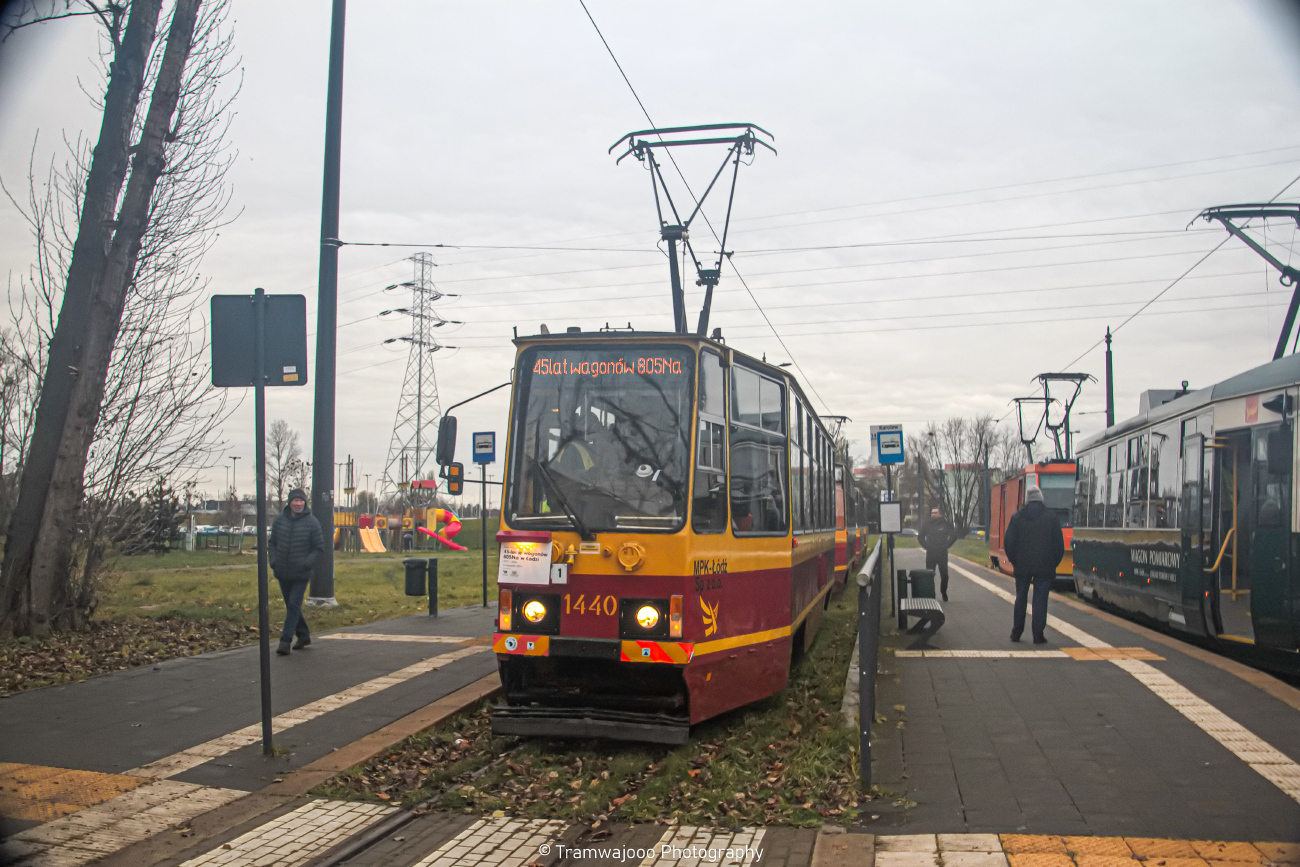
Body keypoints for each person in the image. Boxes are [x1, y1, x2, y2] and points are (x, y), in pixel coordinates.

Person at [1003, 485, 1065, 644]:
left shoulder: (1017, 517)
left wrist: (1015, 561)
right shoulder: (1051, 518)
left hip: (1022, 566)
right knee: (1041, 600)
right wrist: (1053, 563)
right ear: (1040, 498)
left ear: (1027, 499)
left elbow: (1008, 542)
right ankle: (1038, 635)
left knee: (1021, 598)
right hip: (1045, 566)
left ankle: (1016, 633)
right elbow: (1059, 545)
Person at [269, 489, 324, 655]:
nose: (298, 504)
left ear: (305, 503)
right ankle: (303, 634)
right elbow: (272, 543)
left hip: (301, 573)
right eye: (295, 501)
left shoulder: (312, 522)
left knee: (293, 605)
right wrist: (273, 561)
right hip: (283, 571)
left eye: (301, 501)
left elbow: (319, 548)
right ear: (290, 502)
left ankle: (285, 641)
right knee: (292, 606)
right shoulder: (279, 521)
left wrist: (307, 563)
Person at [918, 507, 957, 601]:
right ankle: (931, 594)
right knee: (929, 574)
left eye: (935, 513)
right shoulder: (927, 524)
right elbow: (920, 537)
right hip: (931, 553)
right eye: (932, 513)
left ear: (940, 514)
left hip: (942, 553)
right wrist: (926, 546)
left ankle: (943, 592)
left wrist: (946, 545)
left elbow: (953, 535)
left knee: (944, 575)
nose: (933, 514)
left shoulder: (946, 524)